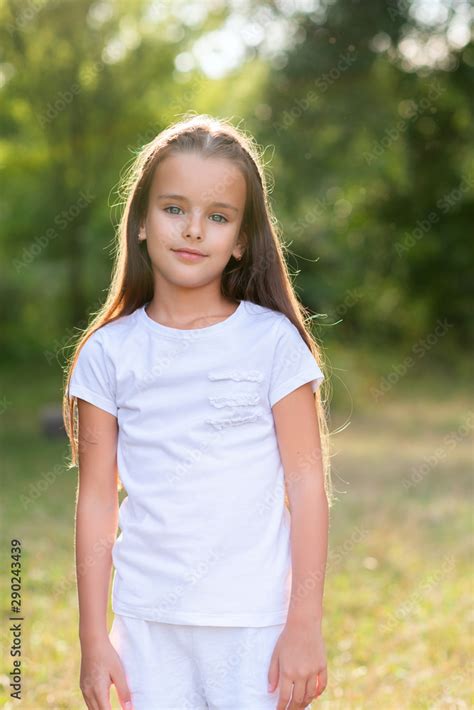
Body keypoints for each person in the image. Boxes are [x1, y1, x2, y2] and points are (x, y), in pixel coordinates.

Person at [63, 113, 333, 710]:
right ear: (139, 221)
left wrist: (304, 623)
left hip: (254, 625)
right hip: (147, 626)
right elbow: (97, 500)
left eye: (217, 216)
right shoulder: (109, 353)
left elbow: (308, 487)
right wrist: (93, 637)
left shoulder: (273, 345)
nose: (192, 230)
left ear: (240, 238)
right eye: (173, 209)